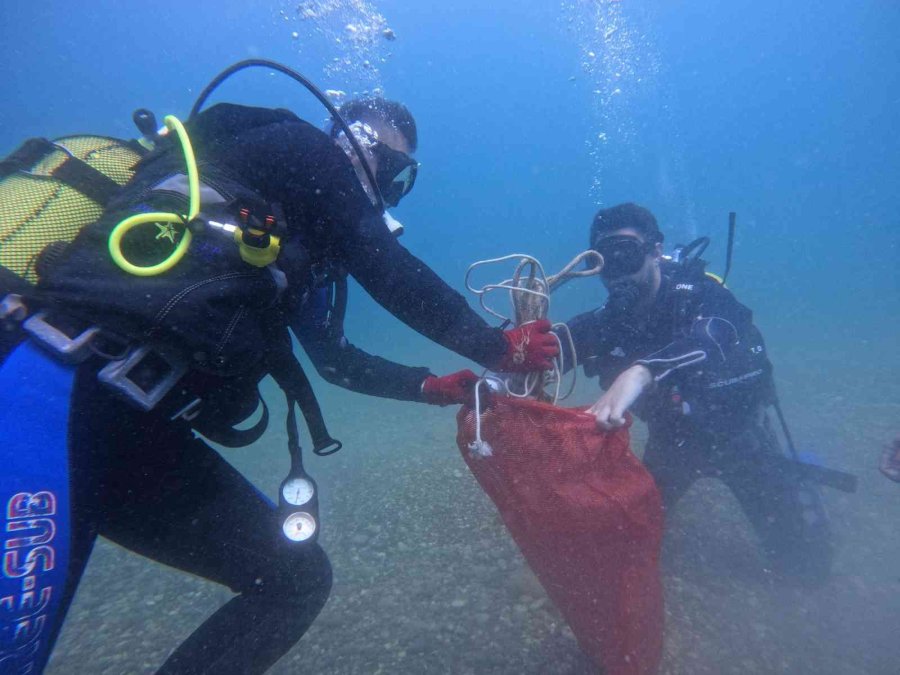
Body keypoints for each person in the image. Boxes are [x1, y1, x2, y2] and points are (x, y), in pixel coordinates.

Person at [0, 94, 559, 674]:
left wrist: (429, 385)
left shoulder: (287, 243)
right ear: (354, 144)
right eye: (392, 172)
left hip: (127, 432)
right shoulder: (301, 148)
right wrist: (500, 347)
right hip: (48, 384)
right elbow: (387, 265)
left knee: (293, 578)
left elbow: (337, 360)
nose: (389, 192)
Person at [559, 202, 833, 585]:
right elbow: (551, 348)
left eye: (627, 252)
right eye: (606, 259)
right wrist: (502, 364)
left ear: (655, 250)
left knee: (807, 570)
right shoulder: (608, 322)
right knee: (627, 544)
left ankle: (794, 475)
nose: (618, 270)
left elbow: (719, 332)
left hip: (740, 436)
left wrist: (641, 371)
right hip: (673, 443)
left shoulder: (701, 295)